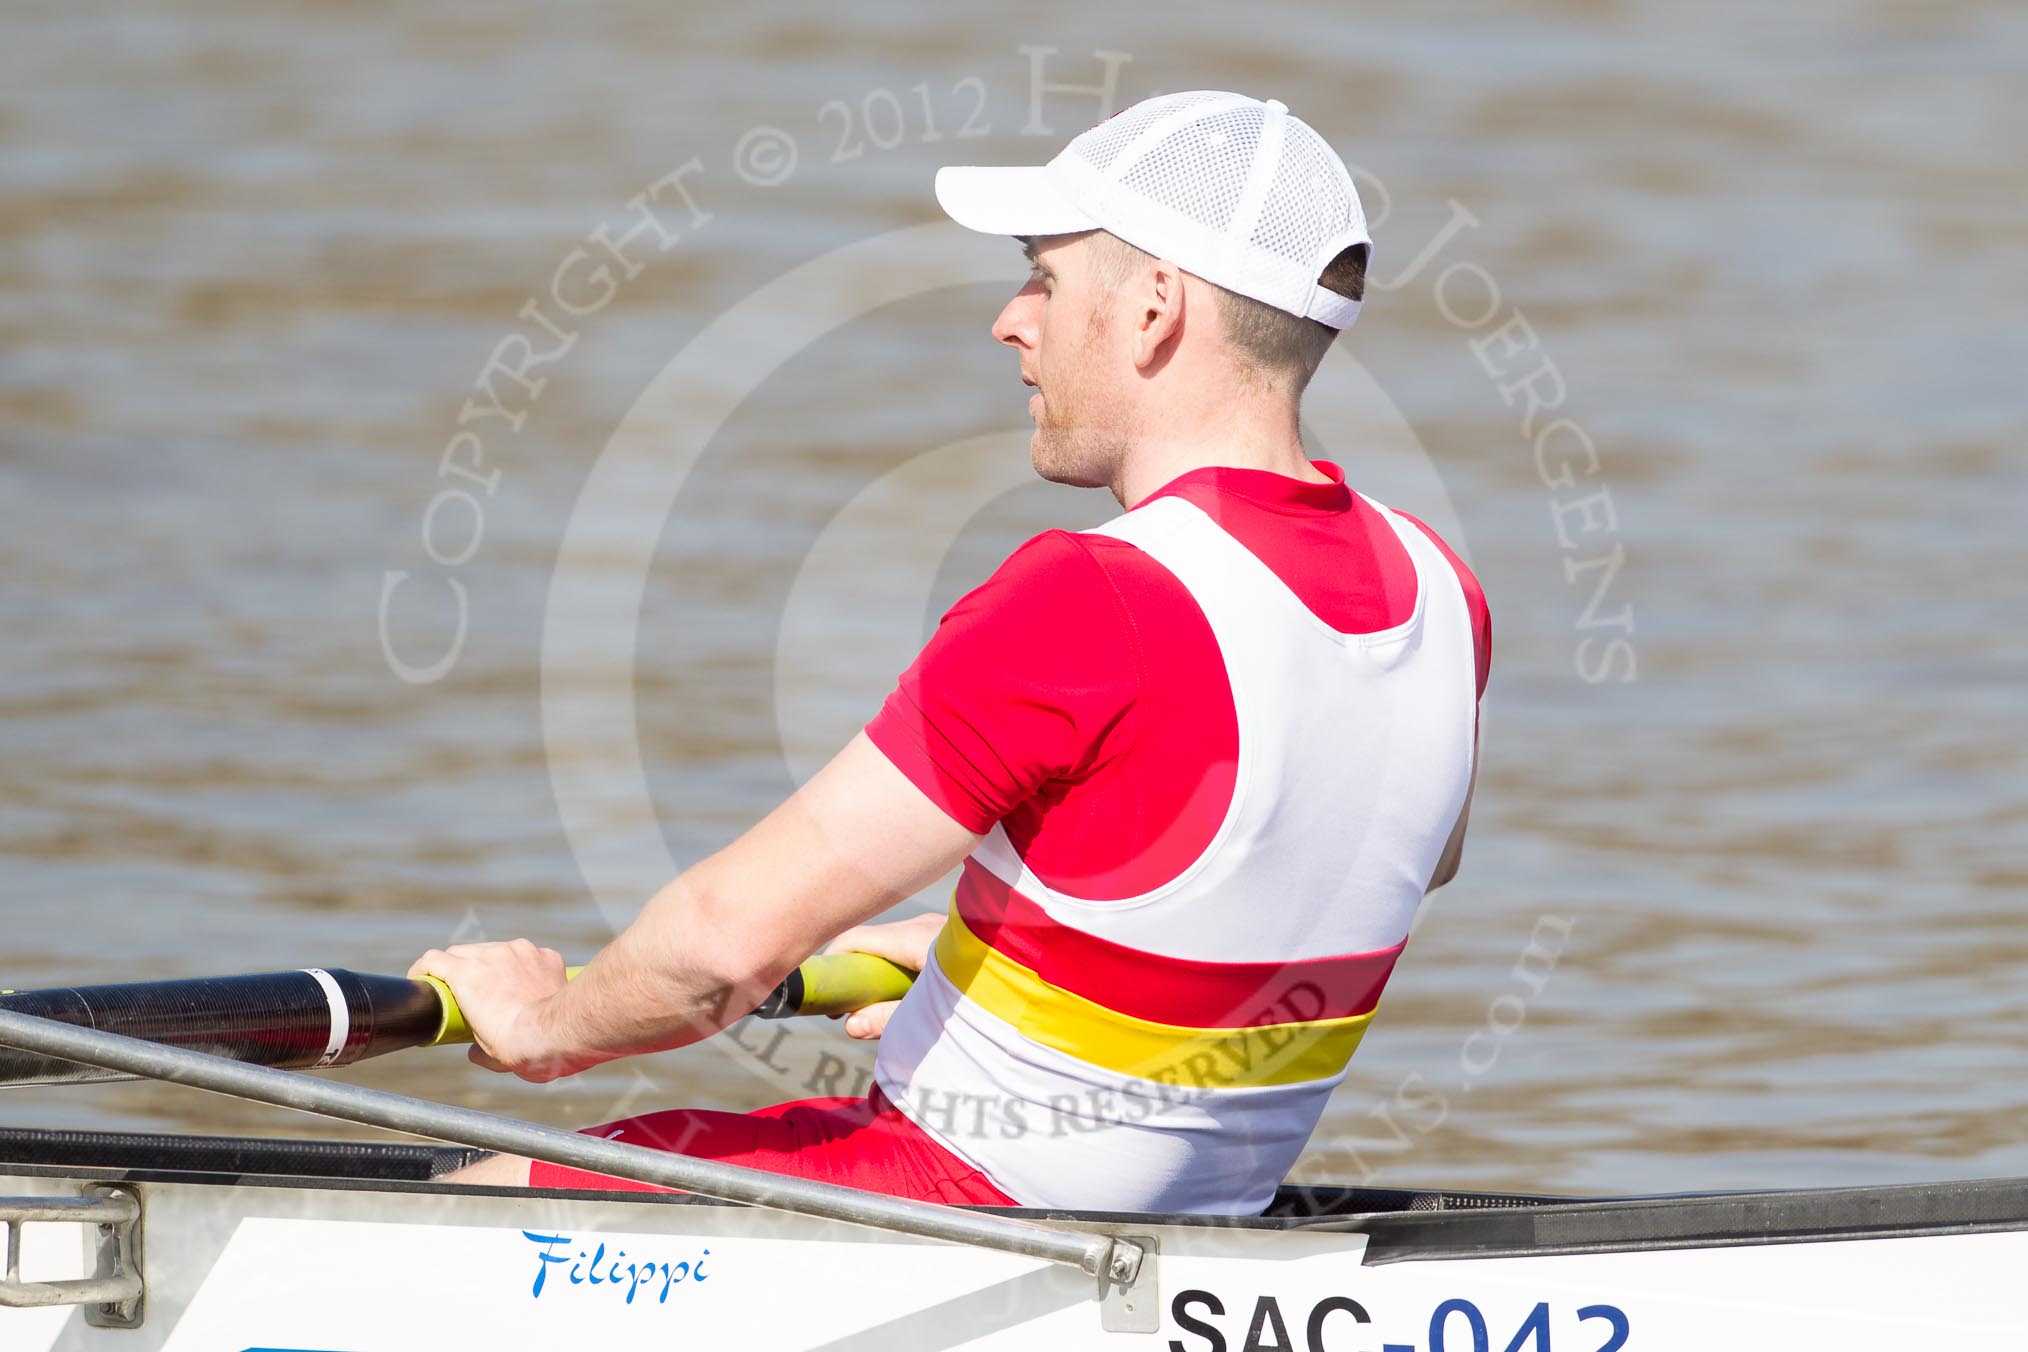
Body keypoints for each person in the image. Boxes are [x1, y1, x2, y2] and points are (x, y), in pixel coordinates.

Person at [413, 90, 1489, 1215]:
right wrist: (1009, 953)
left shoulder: (1094, 598)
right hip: (1203, 1214)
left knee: (460, 1205)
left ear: (1155, 309)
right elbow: (1348, 863)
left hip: (955, 1194)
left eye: (1044, 275)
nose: (1011, 320)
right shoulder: (1440, 595)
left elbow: (723, 950)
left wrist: (542, 1025)